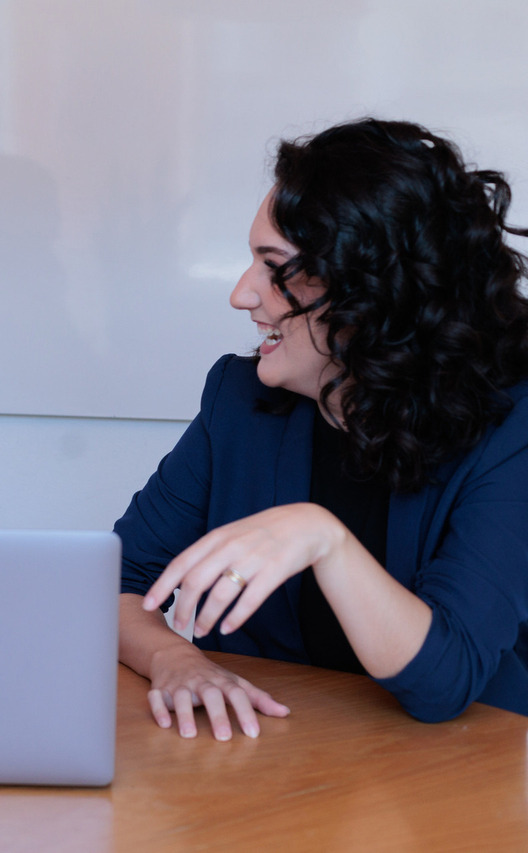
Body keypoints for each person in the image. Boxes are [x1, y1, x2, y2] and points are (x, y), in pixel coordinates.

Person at [115, 118, 528, 741]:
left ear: (369, 293)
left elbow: (445, 683)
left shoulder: (511, 426)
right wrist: (175, 658)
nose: (241, 294)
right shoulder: (237, 399)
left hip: (454, 776)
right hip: (274, 757)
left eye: (272, 265)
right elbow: (111, 585)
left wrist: (324, 538)